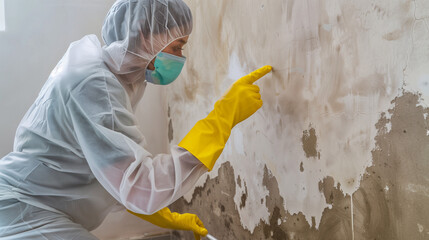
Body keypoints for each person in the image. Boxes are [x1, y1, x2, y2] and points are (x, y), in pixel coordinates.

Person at [0, 0, 272, 239]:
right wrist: (222, 118)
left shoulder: (112, 78)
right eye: (177, 47)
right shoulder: (95, 85)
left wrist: (167, 218)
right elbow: (140, 184)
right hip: (23, 213)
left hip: (32, 208)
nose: (180, 58)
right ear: (142, 34)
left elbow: (115, 170)